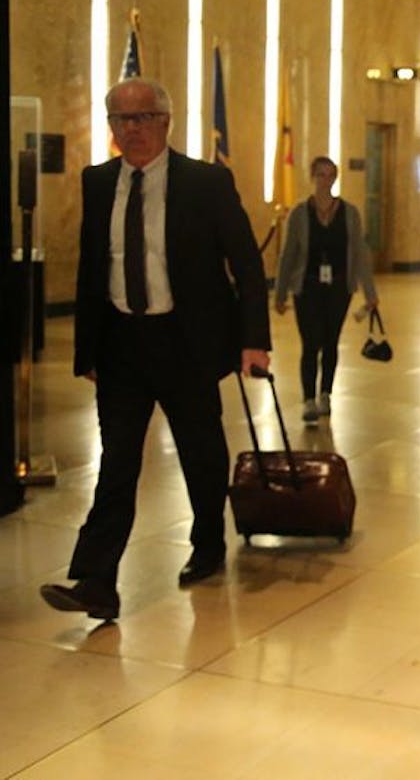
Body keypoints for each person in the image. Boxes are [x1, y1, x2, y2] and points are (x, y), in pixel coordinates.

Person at [40, 77, 271, 620]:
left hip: (185, 343)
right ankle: (97, 580)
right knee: (117, 463)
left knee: (202, 453)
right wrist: (88, 352)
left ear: (165, 121)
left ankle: (208, 543)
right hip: (122, 344)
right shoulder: (98, 182)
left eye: (142, 117)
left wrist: (253, 340)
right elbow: (92, 270)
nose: (132, 129)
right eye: (120, 119)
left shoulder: (206, 182)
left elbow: (248, 264)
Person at [274, 155, 378, 423]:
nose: (325, 180)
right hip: (306, 287)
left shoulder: (350, 213)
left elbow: (360, 253)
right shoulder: (299, 213)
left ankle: (325, 393)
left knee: (330, 341)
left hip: (338, 288)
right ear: (312, 177)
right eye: (320, 174)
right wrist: (281, 291)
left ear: (335, 178)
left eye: (330, 175)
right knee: (310, 344)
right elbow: (288, 255)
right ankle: (308, 399)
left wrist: (369, 292)